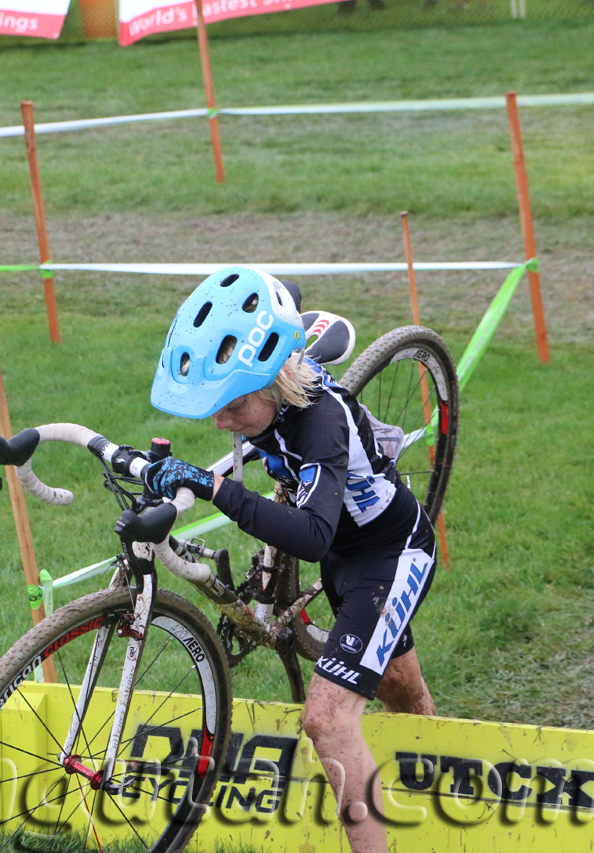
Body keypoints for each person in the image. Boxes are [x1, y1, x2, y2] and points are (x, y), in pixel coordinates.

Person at [142, 266, 437, 853]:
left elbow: (309, 534)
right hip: (345, 564)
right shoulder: (270, 392)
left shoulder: (321, 421)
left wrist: (213, 486)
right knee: (398, 685)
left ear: (274, 383)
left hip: (391, 555)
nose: (220, 422)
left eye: (231, 406)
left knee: (327, 718)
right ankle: (436, 772)